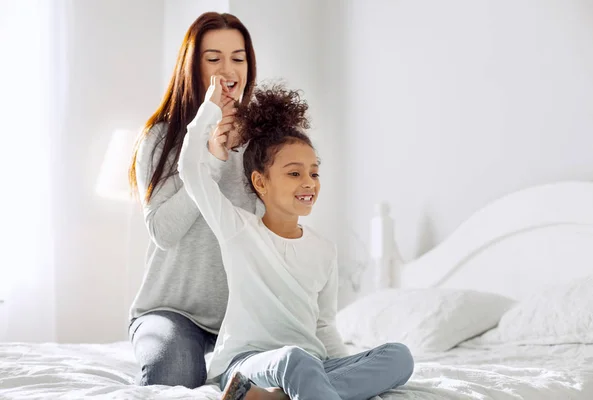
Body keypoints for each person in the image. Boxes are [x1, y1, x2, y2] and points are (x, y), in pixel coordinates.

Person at [178, 77, 415, 400]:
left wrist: (344, 366)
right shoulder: (238, 230)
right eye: (294, 173)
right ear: (261, 182)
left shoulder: (324, 250)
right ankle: (292, 388)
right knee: (294, 359)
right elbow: (191, 169)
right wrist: (210, 110)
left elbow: (324, 326)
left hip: (312, 365)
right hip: (247, 364)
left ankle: (276, 397)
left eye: (314, 173)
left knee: (399, 356)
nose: (309, 183)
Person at [127, 12, 262, 388]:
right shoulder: (161, 138)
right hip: (171, 311)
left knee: (282, 377)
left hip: (244, 315)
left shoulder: (263, 139)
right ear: (193, 65)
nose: (228, 70)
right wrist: (211, 164)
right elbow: (163, 232)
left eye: (238, 58)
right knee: (174, 375)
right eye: (213, 58)